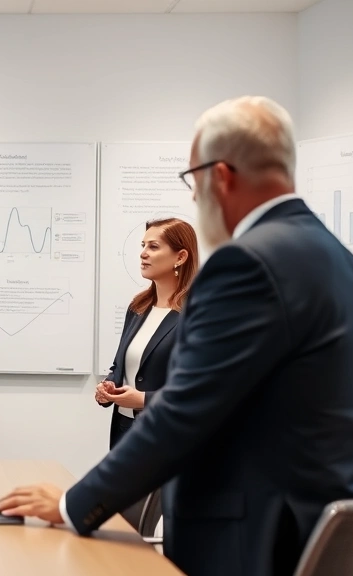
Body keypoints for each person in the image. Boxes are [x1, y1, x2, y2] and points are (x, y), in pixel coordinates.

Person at [0, 96, 353, 576]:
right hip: (328, 540)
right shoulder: (345, 265)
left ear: (219, 177)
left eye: (193, 181)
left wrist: (74, 504)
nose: (194, 198)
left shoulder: (246, 263)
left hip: (255, 544)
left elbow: (181, 413)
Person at [94, 217, 198, 529]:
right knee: (127, 527)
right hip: (126, 434)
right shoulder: (138, 307)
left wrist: (145, 399)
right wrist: (108, 387)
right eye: (143, 246)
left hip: (168, 439)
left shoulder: (195, 313)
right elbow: (120, 367)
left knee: (165, 530)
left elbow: (196, 388)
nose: (143, 253)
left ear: (181, 256)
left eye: (153, 246)